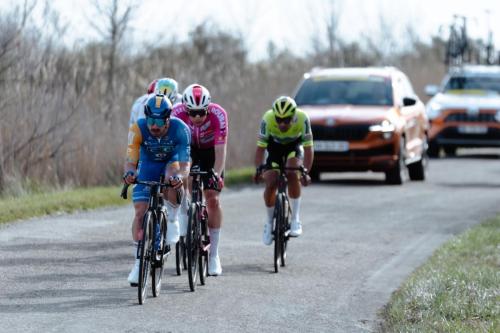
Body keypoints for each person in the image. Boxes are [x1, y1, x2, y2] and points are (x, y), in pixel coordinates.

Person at [124, 93, 191, 286]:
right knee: (139, 213)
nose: (154, 125)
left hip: (171, 163)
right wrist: (129, 174)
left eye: (159, 121)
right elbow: (130, 162)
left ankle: (171, 218)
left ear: (168, 119)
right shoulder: (138, 128)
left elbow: (185, 165)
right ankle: (138, 263)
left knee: (172, 177)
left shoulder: (181, 129)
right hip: (148, 165)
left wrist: (180, 177)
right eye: (151, 119)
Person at [171, 83, 228, 276]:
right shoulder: (176, 113)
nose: (196, 117)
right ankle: (186, 213)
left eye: (201, 112)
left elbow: (220, 151)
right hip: (189, 149)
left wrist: (216, 174)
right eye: (192, 113)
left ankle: (214, 255)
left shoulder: (218, 115)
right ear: (185, 108)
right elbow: (174, 149)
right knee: (185, 179)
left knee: (213, 198)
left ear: (208, 107)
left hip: (211, 152)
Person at [253, 96, 314, 246]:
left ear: (293, 116)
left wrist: (306, 172)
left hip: (294, 146)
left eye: (286, 120)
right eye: (278, 119)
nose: (282, 123)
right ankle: (268, 223)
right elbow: (260, 149)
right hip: (274, 148)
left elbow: (308, 148)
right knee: (271, 181)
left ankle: (295, 219)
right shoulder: (267, 119)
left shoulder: (302, 118)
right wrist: (258, 169)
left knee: (293, 173)